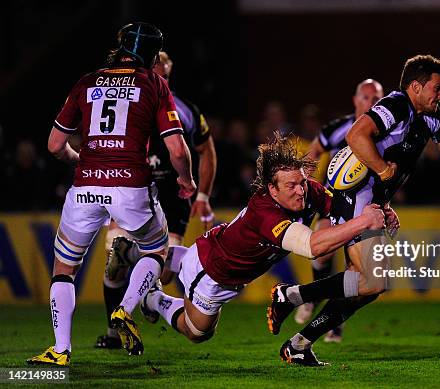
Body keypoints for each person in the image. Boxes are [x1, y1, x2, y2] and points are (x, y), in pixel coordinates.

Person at [267, 55, 440, 366]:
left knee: (366, 287)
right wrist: (383, 170)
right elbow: (356, 135)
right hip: (354, 196)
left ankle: (298, 341)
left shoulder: (433, 117)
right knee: (375, 280)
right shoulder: (395, 105)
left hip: (373, 200)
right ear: (416, 87)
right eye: (438, 88)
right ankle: (291, 296)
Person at [27, 22, 196, 366]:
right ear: (151, 54)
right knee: (156, 250)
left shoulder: (86, 81)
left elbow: (55, 144)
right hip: (130, 186)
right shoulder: (154, 83)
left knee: (64, 268)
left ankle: (60, 350)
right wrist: (187, 181)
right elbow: (177, 150)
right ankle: (125, 308)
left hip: (86, 187)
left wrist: (79, 159)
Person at [137, 132, 387, 364]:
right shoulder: (265, 213)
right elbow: (313, 247)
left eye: (302, 182)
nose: (301, 191)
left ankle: (141, 256)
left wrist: (380, 211)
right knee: (197, 332)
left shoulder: (308, 191)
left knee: (369, 281)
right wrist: (365, 221)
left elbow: (341, 209)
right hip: (212, 270)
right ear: (272, 189)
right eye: (291, 186)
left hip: (228, 263)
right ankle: (154, 297)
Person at [94, 51, 217, 349]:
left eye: (159, 72)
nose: (153, 76)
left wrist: (202, 194)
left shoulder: (184, 110)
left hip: (172, 194)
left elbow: (207, 151)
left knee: (162, 271)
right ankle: (114, 331)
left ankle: (135, 266)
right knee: (114, 262)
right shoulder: (122, 101)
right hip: (132, 189)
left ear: (167, 74)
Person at [294, 79, 384, 344]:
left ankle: (332, 323)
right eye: (367, 97)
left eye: (377, 97)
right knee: (321, 253)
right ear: (356, 100)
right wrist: (304, 183)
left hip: (366, 205)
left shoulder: (385, 130)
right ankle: (311, 297)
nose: (372, 102)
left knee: (360, 273)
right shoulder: (339, 129)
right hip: (334, 200)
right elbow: (314, 152)